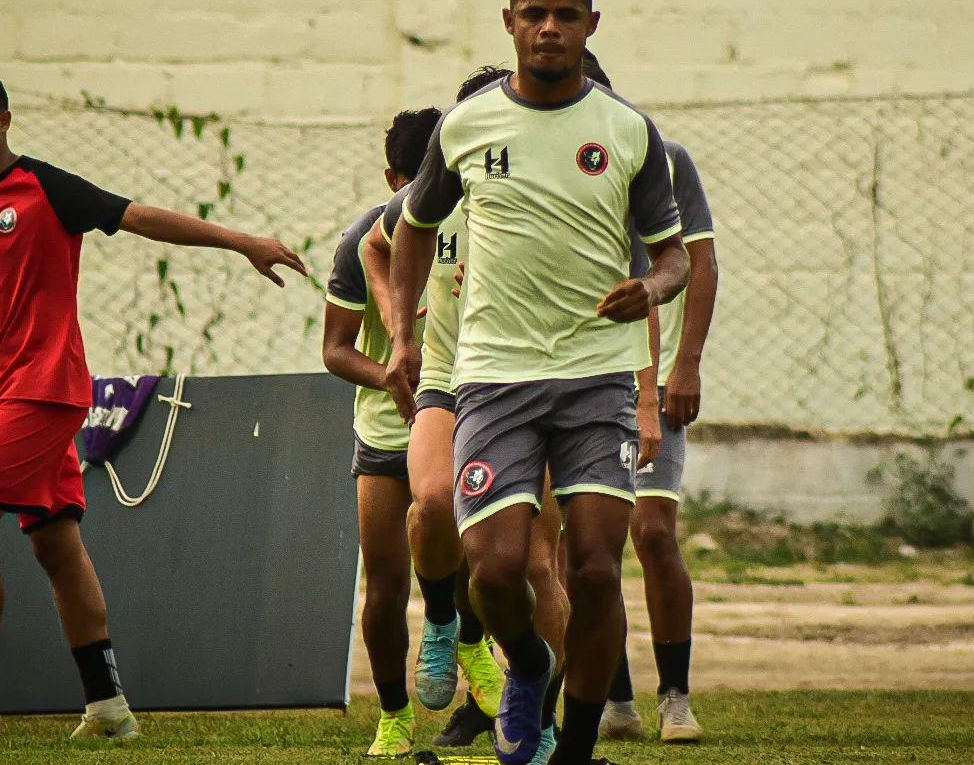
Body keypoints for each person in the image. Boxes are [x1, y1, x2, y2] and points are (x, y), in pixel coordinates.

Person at [384, 0, 690, 765]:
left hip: (595, 380)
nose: (549, 28)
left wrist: (652, 291)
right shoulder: (469, 124)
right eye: (533, 14)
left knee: (593, 569)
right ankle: (527, 663)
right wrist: (407, 334)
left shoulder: (627, 131)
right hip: (493, 378)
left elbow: (674, 254)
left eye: (565, 15)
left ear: (590, 25)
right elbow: (410, 227)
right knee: (494, 567)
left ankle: (577, 747)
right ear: (511, 23)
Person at [0, 78, 307, 740]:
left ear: (4, 119)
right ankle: (108, 707)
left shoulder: (43, 188)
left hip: (39, 389)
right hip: (10, 398)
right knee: (56, 543)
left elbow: (140, 217)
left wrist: (240, 240)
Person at [365, 65, 571, 763]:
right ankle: (448, 624)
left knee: (535, 564)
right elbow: (373, 240)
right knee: (430, 502)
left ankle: (540, 718)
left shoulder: (544, 195)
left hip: (531, 380)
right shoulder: (435, 197)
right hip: (452, 377)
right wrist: (402, 328)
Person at [590, 84, 718, 744]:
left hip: (649, 377)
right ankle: (614, 700)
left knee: (654, 531)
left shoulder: (660, 158)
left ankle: (676, 695)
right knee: (587, 546)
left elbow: (695, 263)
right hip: (575, 385)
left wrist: (684, 366)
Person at [321, 107, 445, 758]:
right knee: (387, 583)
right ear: (394, 177)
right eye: (413, 182)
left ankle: (469, 647)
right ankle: (393, 715)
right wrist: (393, 378)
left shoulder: (476, 230)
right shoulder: (364, 239)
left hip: (461, 423)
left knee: (486, 564)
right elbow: (335, 349)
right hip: (385, 435)